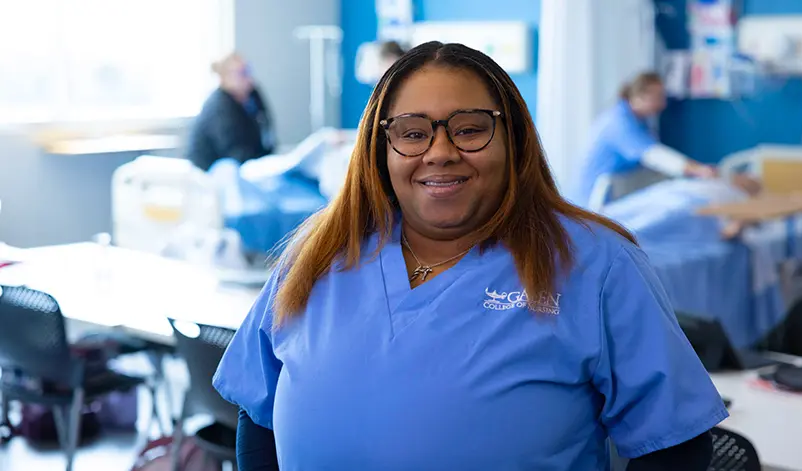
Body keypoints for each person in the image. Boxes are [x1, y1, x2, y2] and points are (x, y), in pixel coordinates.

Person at [213, 42, 728, 471]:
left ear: (513, 140)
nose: (440, 151)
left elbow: (675, 445)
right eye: (413, 133)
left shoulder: (595, 265)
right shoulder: (318, 253)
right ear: (380, 147)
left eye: (469, 128)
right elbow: (258, 416)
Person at [572, 71, 717, 210]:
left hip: (613, 197)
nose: (663, 104)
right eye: (658, 97)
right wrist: (699, 170)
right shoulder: (619, 123)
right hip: (594, 202)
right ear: (638, 97)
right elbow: (655, 156)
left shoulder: (637, 122)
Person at [185, 53, 277, 171]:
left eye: (248, 70)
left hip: (247, 161)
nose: (248, 77)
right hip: (213, 168)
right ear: (225, 77)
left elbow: (265, 127)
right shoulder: (219, 106)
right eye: (242, 73)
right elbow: (233, 151)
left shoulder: (252, 96)